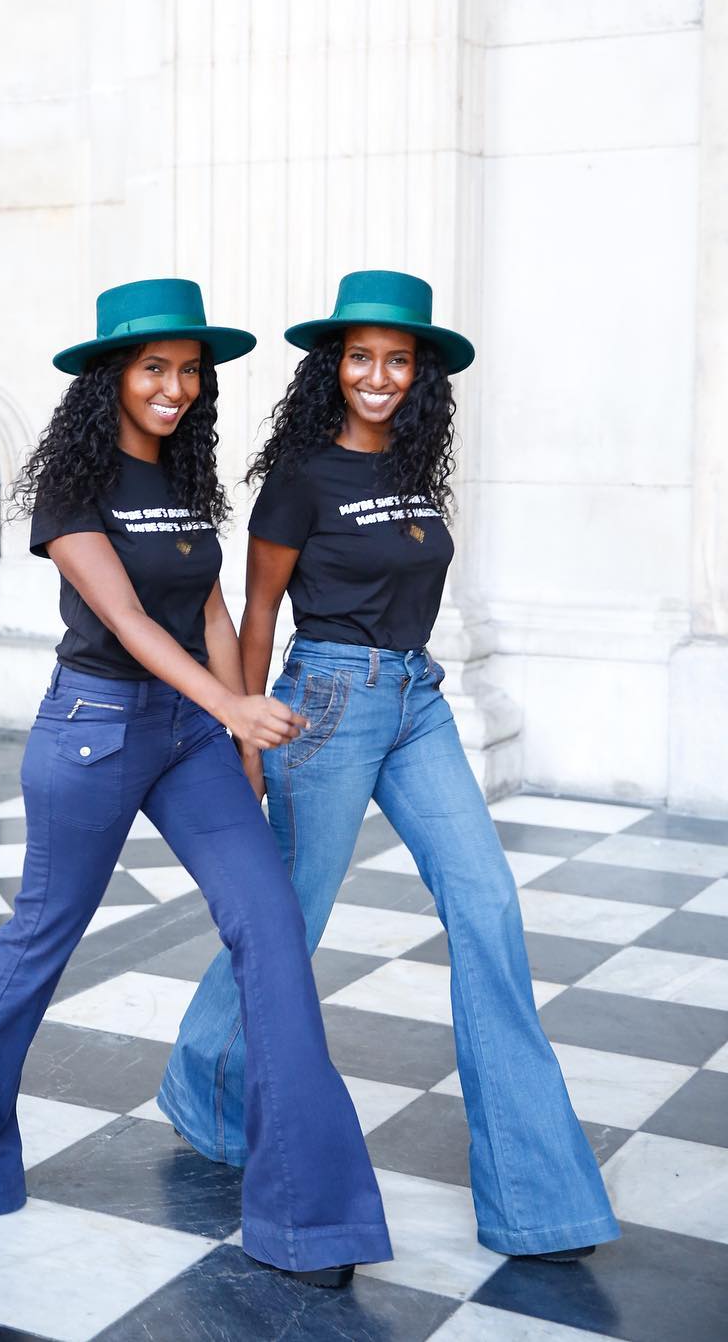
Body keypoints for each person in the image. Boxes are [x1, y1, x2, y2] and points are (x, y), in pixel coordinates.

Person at [0, 278, 393, 1287]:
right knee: (42, 937)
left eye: (189, 371)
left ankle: (311, 1216)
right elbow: (126, 619)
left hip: (191, 737)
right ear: (112, 377)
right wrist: (233, 709)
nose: (176, 387)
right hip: (92, 732)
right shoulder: (72, 486)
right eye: (154, 368)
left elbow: (209, 611)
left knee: (272, 928)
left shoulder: (181, 473)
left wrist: (239, 736)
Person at [156, 270, 621, 1263]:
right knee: (292, 916)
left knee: (487, 904)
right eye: (361, 357)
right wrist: (246, 739)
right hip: (327, 702)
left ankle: (538, 1197)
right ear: (334, 367)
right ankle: (205, 1083)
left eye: (397, 359)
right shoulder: (302, 477)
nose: (378, 375)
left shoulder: (414, 465)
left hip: (418, 699)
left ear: (420, 373)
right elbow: (258, 612)